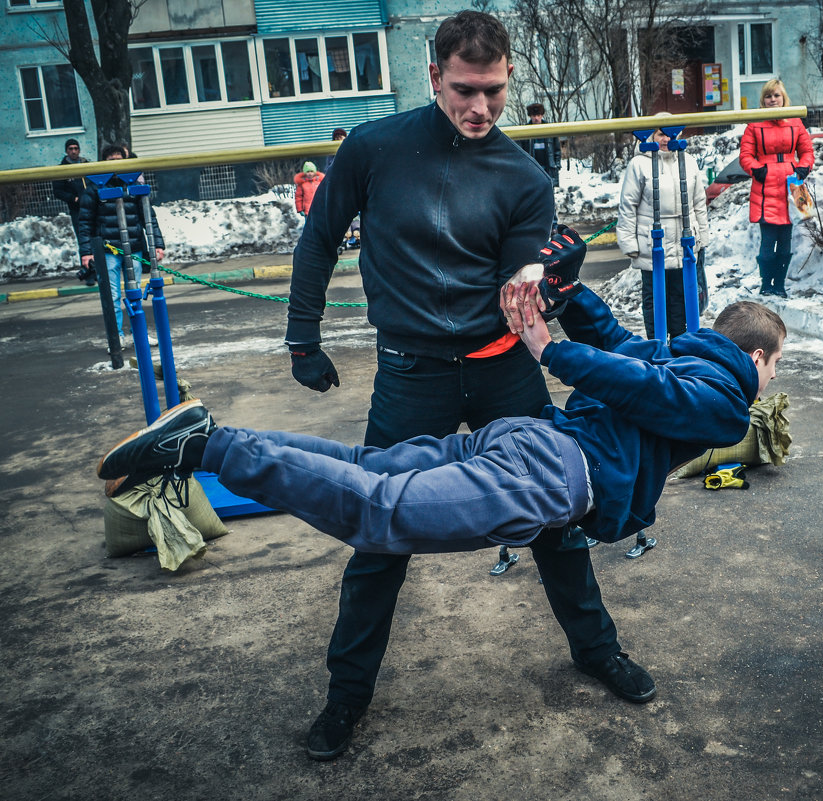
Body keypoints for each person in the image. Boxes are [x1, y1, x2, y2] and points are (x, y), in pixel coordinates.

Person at [285, 11, 645, 762]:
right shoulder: (375, 149)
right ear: (434, 76)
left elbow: (525, 288)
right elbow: (319, 238)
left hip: (501, 370)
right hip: (410, 374)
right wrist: (302, 335)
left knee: (555, 516)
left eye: (495, 91)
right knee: (378, 527)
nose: (480, 108)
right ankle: (346, 696)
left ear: (509, 79)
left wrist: (552, 276)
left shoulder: (522, 176)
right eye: (465, 90)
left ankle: (595, 648)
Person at [96, 278, 782, 610]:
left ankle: (209, 439)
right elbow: (637, 378)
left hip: (531, 438)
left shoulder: (678, 357)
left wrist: (573, 296)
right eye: (775, 364)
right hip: (557, 470)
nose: (771, 377)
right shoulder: (726, 401)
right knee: (382, 512)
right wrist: (554, 348)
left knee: (370, 469)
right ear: (754, 356)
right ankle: (209, 451)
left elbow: (629, 352)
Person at [616, 112, 710, 340]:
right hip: (652, 242)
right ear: (651, 135)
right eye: (660, 133)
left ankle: (679, 343)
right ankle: (656, 343)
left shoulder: (687, 161)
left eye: (670, 133)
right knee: (655, 298)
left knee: (680, 296)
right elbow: (628, 205)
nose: (666, 139)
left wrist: (703, 236)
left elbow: (699, 201)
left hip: (682, 241)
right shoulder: (640, 164)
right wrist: (628, 241)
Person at [76, 144, 165, 341]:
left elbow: (148, 217)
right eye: (111, 161)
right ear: (104, 162)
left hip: (133, 248)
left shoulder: (134, 185)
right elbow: (85, 222)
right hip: (108, 251)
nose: (116, 164)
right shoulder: (94, 188)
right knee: (113, 297)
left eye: (120, 160)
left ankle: (139, 335)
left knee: (135, 294)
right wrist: (86, 252)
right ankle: (116, 337)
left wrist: (157, 244)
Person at [737, 79, 814, 298]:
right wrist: (756, 169)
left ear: (783, 98)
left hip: (792, 186)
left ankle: (779, 284)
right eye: (769, 96)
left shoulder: (795, 122)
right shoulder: (754, 124)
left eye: (777, 95)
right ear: (763, 100)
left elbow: (807, 151)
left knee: (785, 244)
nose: (773, 100)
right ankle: (766, 283)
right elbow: (745, 155)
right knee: (768, 244)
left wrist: (803, 168)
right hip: (765, 188)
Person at [52, 139, 94, 285]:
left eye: (76, 148)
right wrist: (73, 198)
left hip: (92, 207)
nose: (74, 151)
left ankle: (99, 269)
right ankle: (88, 272)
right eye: (70, 149)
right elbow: (57, 191)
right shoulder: (62, 169)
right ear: (66, 151)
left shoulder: (86, 164)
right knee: (84, 240)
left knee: (96, 237)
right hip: (77, 210)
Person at [521, 102, 562, 186]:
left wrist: (557, 166)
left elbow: (557, 149)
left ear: (542, 115)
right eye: (534, 115)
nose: (536, 118)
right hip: (532, 170)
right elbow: (521, 152)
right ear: (530, 116)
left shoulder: (550, 129)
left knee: (548, 193)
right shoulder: (524, 131)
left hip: (548, 169)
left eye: (538, 115)